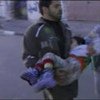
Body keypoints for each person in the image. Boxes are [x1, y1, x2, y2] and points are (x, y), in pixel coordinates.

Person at [22, 0, 78, 100]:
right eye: (56, 6)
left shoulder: (66, 28)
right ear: (45, 9)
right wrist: (52, 71)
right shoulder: (33, 31)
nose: (60, 9)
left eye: (60, 6)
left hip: (71, 86)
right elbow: (28, 58)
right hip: (53, 90)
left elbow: (72, 52)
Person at [21, 36, 91, 91]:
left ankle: (39, 73)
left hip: (71, 67)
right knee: (46, 59)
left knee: (49, 56)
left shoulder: (83, 48)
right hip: (67, 78)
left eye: (72, 42)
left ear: (79, 44)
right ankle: (39, 76)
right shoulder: (82, 54)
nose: (69, 44)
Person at [85, 25, 100, 98]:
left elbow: (88, 38)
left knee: (97, 75)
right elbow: (88, 38)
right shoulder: (97, 28)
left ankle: (97, 93)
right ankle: (98, 93)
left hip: (96, 54)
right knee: (97, 75)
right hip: (96, 55)